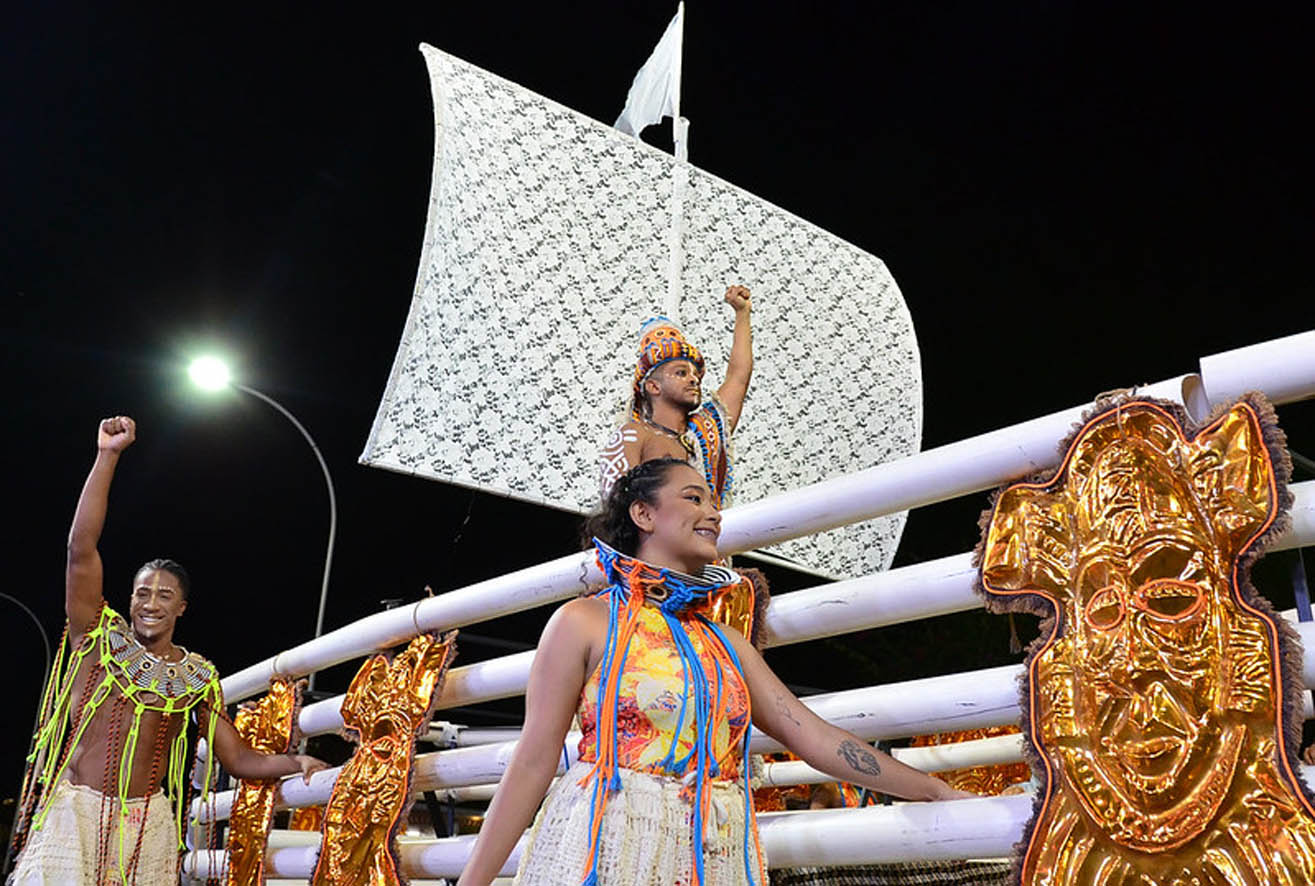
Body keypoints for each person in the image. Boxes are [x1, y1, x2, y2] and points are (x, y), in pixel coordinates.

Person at [457, 457, 971, 886]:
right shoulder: (584, 620)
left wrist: (933, 790)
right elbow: (534, 760)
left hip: (713, 854)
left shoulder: (726, 643)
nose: (714, 513)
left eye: (714, 502)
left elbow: (813, 737)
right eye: (694, 498)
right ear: (643, 514)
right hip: (608, 848)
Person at [9, 416, 327, 886]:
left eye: (163, 595)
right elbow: (80, 549)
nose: (150, 603)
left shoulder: (197, 675)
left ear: (181, 607)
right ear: (129, 599)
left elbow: (240, 761)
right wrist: (107, 455)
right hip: (74, 817)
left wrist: (296, 762)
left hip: (147, 827)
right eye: (142, 593)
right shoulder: (96, 636)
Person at [598, 285, 753, 508]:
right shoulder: (634, 435)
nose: (693, 379)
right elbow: (618, 507)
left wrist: (742, 313)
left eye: (696, 374)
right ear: (653, 386)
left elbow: (738, 377)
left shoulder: (705, 430)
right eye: (681, 373)